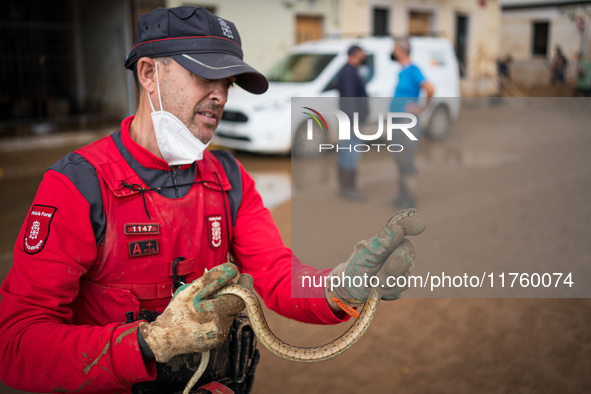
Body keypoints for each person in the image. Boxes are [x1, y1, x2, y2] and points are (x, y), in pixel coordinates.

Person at [0, 7, 425, 394]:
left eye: (227, 82)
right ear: (149, 73)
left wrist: (339, 285)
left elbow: (277, 275)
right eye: (205, 76)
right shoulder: (80, 185)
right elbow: (15, 344)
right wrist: (151, 342)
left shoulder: (229, 179)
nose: (220, 95)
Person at [390, 38, 435, 209]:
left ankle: (409, 200)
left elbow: (430, 88)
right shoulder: (401, 70)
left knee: (407, 159)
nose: (393, 51)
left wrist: (423, 107)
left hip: (407, 123)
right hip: (397, 122)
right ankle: (401, 196)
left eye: (394, 48)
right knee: (399, 159)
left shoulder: (413, 69)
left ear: (401, 50)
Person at [336, 45, 369, 201]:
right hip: (351, 121)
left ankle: (344, 187)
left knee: (346, 153)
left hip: (348, 120)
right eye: (362, 54)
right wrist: (354, 123)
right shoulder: (348, 72)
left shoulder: (349, 70)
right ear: (354, 54)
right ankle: (349, 189)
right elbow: (349, 99)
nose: (364, 57)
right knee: (351, 154)